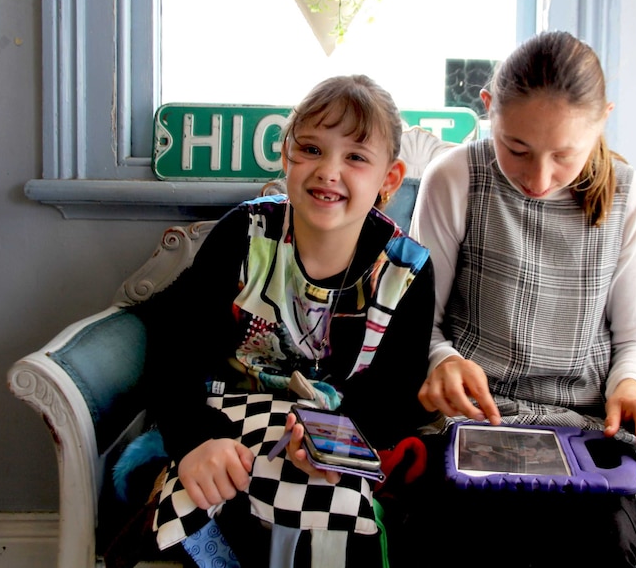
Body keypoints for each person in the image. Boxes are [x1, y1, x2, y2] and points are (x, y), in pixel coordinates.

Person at [131, 75, 435, 567]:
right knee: (200, 502)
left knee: (336, 517)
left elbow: (394, 395)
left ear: (390, 179)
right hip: (228, 418)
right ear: (287, 155)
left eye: (355, 157)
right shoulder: (244, 236)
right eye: (311, 149)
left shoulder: (405, 272)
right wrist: (195, 442)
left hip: (338, 435)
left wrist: (337, 448)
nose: (328, 171)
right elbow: (175, 349)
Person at [401, 31, 636, 567]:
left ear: (603, 122)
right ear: (487, 110)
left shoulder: (632, 197)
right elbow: (416, 324)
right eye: (516, 149)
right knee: (446, 534)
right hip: (471, 424)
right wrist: (442, 359)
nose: (538, 178)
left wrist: (634, 388)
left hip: (583, 433)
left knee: (600, 545)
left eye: (565, 155)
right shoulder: (455, 177)